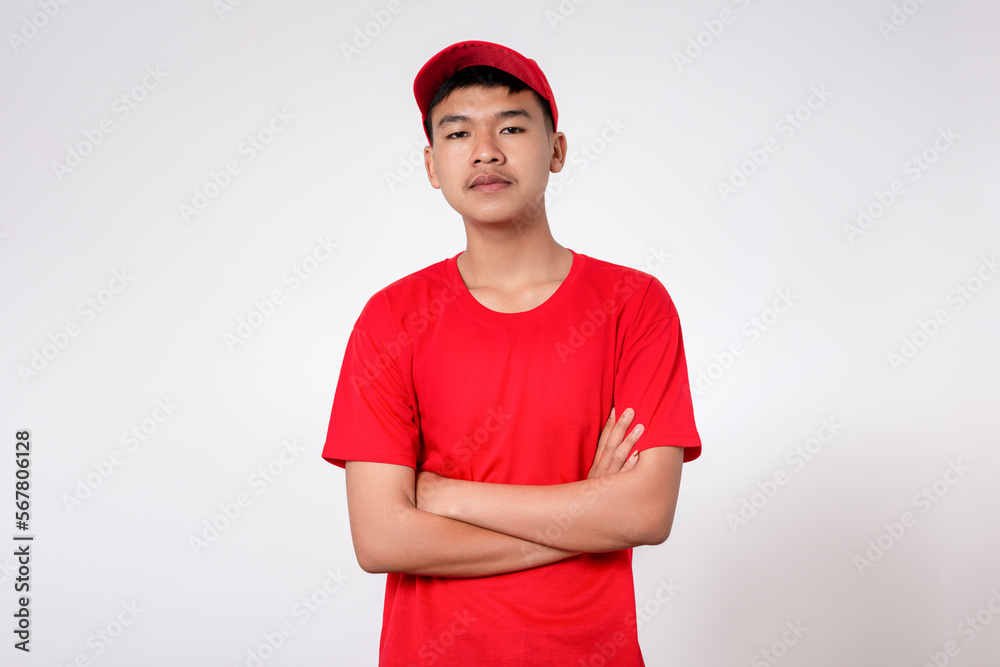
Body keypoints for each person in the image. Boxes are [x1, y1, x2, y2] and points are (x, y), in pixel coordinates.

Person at [322, 40, 702, 666]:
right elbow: (382, 537)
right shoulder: (391, 319)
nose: (486, 150)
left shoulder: (635, 305)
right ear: (430, 163)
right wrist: (584, 514)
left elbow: (645, 511)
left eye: (512, 126)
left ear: (556, 150)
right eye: (458, 132)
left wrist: (446, 495)